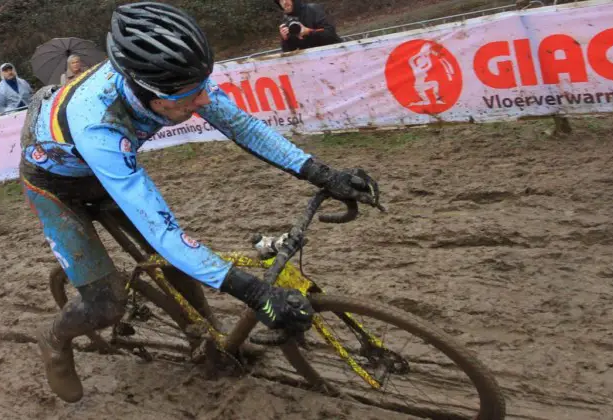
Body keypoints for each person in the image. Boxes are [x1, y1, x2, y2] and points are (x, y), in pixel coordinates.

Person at [20, 2, 379, 403]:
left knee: (177, 263)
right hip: (56, 186)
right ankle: (53, 338)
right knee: (107, 304)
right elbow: (162, 231)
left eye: (203, 87)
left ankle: (206, 340)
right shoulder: (98, 124)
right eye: (193, 96)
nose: (205, 101)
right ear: (153, 97)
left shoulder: (171, 79)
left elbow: (242, 126)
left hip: (102, 171)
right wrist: (255, 293)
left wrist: (322, 173)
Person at [275, 0, 342, 52]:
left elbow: (331, 34)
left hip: (334, 52)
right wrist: (285, 40)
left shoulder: (313, 9)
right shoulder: (286, 21)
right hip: (311, 60)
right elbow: (289, 53)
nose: (284, 2)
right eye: (280, 1)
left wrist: (309, 31)